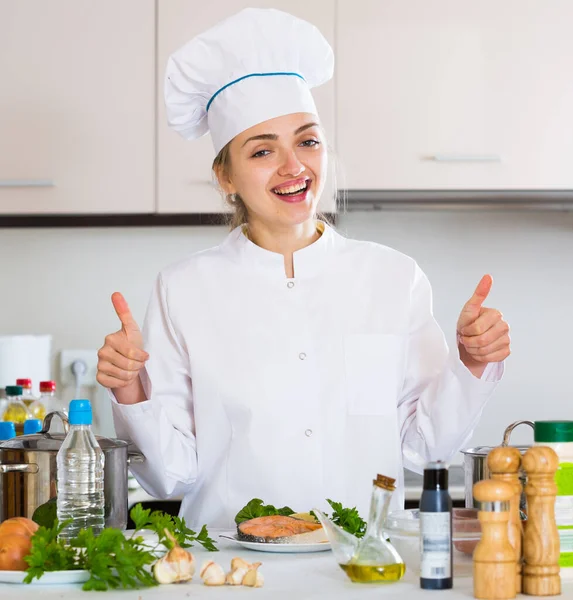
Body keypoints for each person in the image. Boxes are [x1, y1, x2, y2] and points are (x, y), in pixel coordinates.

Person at [96, 8, 510, 529]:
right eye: (263, 150)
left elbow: (422, 446)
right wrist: (131, 390)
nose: (294, 167)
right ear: (225, 175)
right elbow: (170, 476)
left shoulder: (392, 278)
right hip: (230, 568)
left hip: (361, 563)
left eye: (307, 141)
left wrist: (471, 364)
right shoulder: (183, 288)